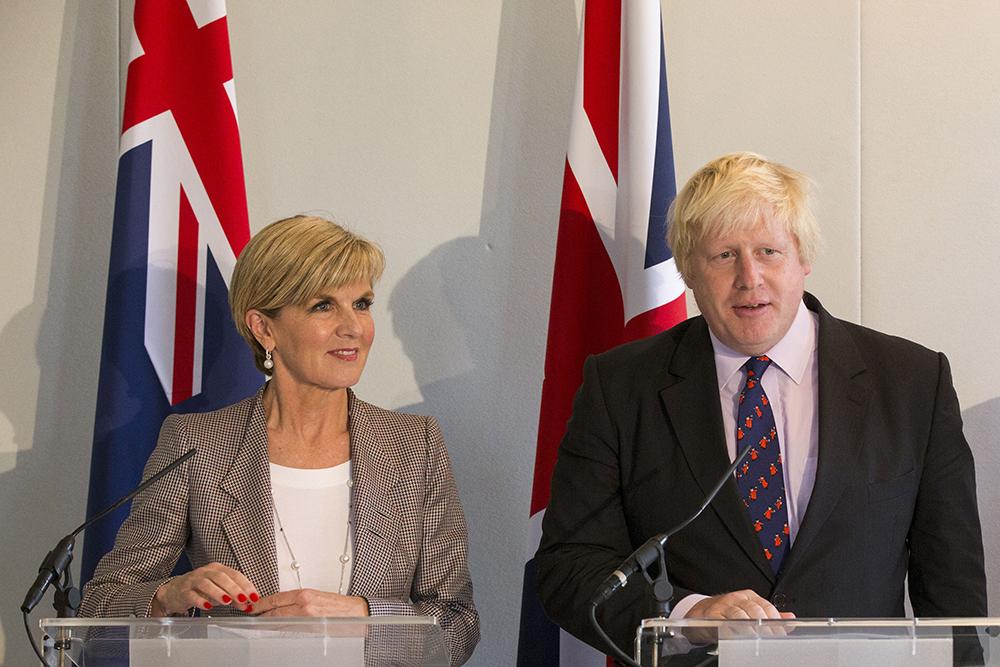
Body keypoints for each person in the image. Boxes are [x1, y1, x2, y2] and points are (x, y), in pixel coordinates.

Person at [535, 153, 987, 654]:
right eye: (723, 256)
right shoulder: (621, 387)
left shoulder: (911, 384)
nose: (749, 278)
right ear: (687, 270)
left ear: (803, 258)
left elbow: (953, 596)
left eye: (769, 251)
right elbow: (569, 566)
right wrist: (689, 617)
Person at [80, 215, 480, 666]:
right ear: (264, 328)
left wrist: (364, 617)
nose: (354, 327)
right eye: (323, 306)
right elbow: (98, 610)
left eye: (362, 303)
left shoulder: (415, 447)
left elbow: (457, 624)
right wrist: (165, 595)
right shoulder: (197, 444)